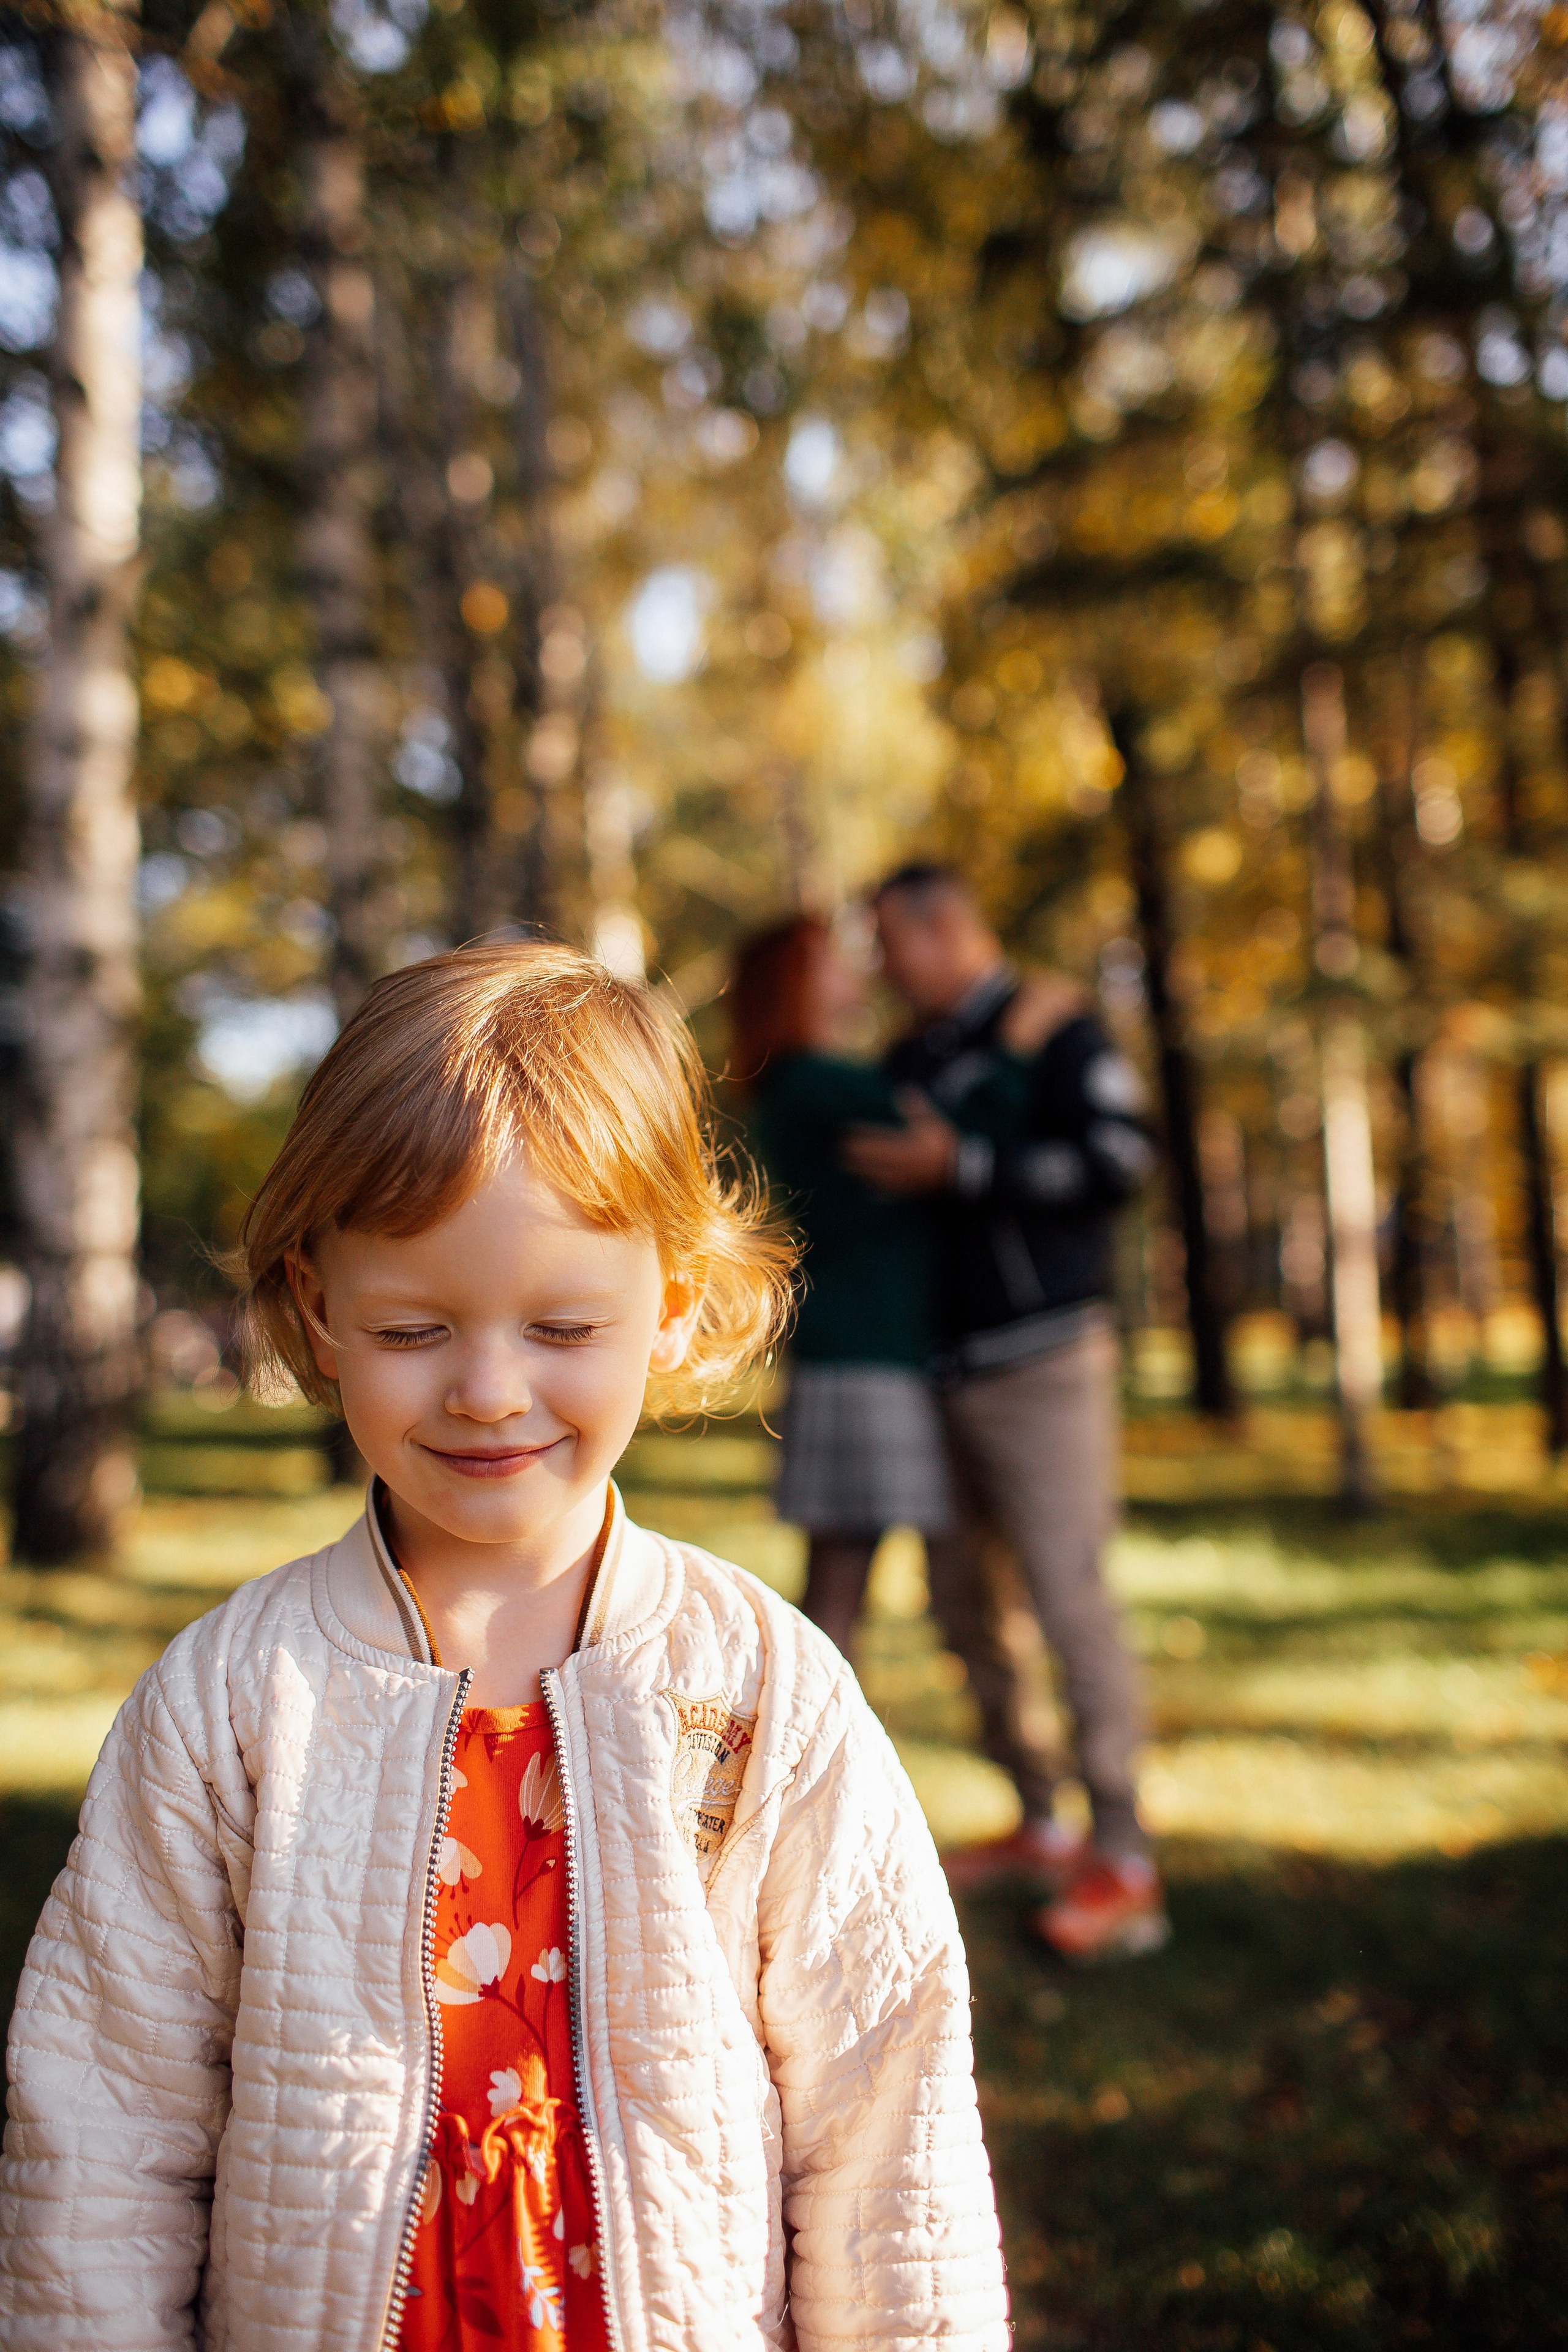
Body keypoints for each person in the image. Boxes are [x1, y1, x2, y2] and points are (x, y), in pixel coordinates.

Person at [0, 943, 1009, 2351]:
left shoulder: (761, 1686)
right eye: (413, 1326)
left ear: (666, 1306)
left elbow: (884, 2128)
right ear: (318, 1309)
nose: (488, 1391)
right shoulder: (232, 1697)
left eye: (561, 1324)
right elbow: (104, 2121)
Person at [843, 864, 1166, 1966]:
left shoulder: (1061, 1027)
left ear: (946, 928)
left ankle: (1123, 1853)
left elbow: (1123, 1160)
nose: (881, 966)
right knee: (962, 1606)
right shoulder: (907, 1058)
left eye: (889, 942)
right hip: (937, 1374)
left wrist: (967, 1165)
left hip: (1045, 1361)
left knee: (1068, 1595)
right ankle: (1040, 1818)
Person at [728, 914, 953, 1652]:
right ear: (797, 982)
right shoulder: (821, 1083)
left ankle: (801, 1744)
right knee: (843, 1578)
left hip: (847, 1348)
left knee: (840, 1570)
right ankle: (806, 1749)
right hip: (864, 1354)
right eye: (829, 960)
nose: (851, 970)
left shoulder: (792, 1084)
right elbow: (952, 1122)